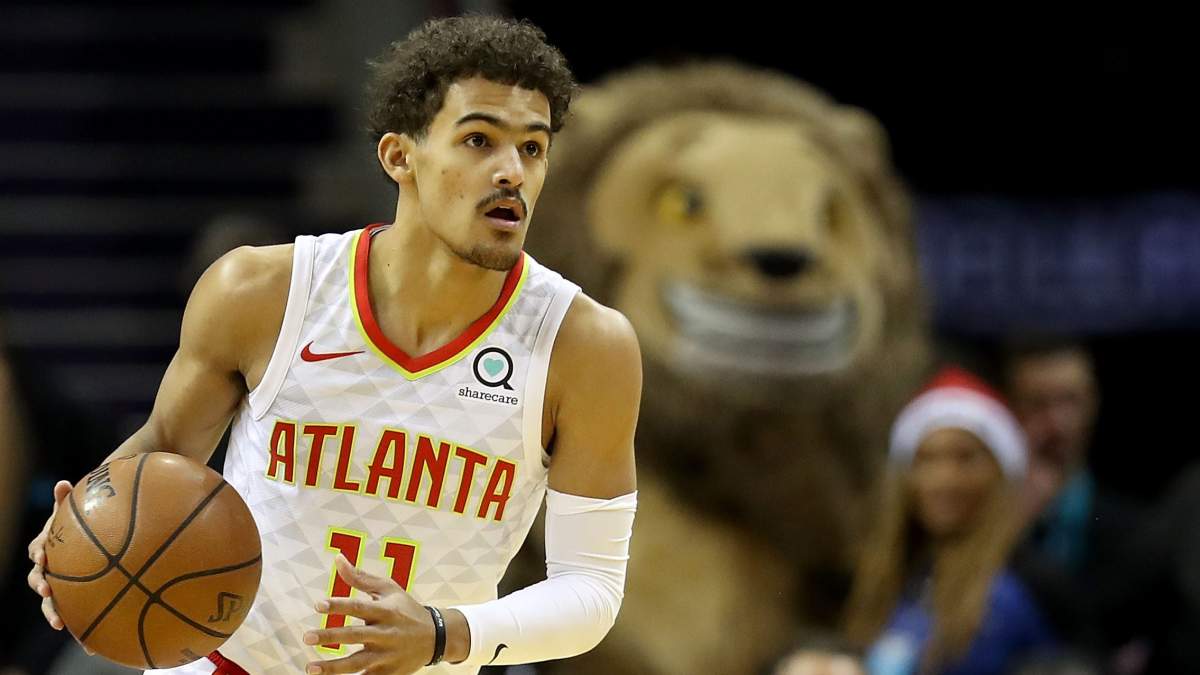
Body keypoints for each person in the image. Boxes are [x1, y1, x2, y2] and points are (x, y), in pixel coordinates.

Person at [26, 15, 641, 675]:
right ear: (399, 156)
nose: (511, 172)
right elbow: (165, 447)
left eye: (532, 148)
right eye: (478, 140)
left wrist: (443, 632)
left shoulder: (585, 346)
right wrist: (79, 536)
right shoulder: (263, 291)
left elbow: (592, 589)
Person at [843, 367, 1054, 675]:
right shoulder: (880, 580)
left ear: (1001, 470)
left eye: (965, 458)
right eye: (926, 459)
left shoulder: (1033, 584)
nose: (944, 479)